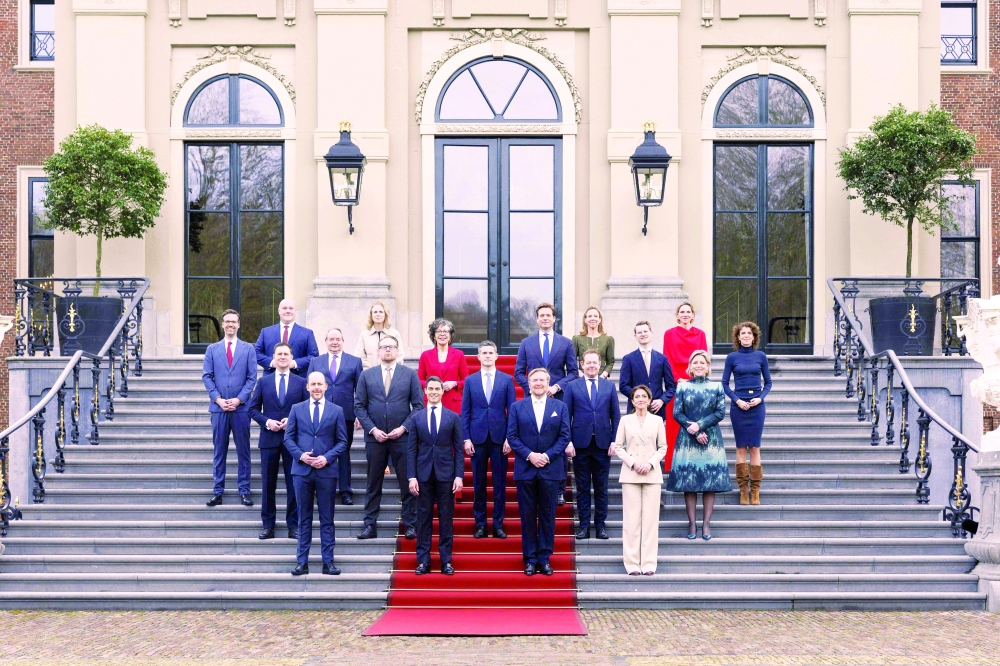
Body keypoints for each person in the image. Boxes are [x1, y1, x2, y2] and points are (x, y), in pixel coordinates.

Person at [354, 334, 423, 539]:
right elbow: (359, 406)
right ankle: (369, 524)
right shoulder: (367, 376)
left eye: (391, 347)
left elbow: (418, 406)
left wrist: (403, 428)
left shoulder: (409, 375)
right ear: (378, 351)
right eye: (384, 347)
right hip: (375, 438)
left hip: (402, 438)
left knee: (407, 481)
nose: (387, 350)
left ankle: (410, 524)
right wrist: (373, 430)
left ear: (397, 350)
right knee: (373, 483)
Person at [507, 368, 571, 576]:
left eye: (542, 380)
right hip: (525, 469)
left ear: (548, 382)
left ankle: (544, 558)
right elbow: (513, 437)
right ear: (529, 383)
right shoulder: (517, 407)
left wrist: (547, 456)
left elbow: (564, 437)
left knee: (547, 516)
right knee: (527, 516)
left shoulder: (560, 407)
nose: (538, 383)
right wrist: (530, 455)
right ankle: (530, 559)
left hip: (551, 469)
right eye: (534, 380)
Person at [284, 371, 348, 576]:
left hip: (326, 472)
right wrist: (301, 456)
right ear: (307, 387)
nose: (317, 387)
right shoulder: (296, 409)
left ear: (326, 386)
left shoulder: (337, 410)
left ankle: (328, 562)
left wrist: (327, 458)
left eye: (320, 384)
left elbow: (342, 442)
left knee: (327, 519)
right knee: (303, 518)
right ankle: (301, 562)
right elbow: (288, 438)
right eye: (313, 384)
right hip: (302, 471)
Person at [514, 303, 579, 505]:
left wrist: (556, 387)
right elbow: (518, 372)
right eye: (541, 315)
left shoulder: (565, 343)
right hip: (532, 401)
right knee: (535, 439)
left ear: (554, 318)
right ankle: (533, 482)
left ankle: (559, 489)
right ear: (536, 319)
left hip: (557, 399)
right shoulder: (526, 343)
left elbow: (574, 372)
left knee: (557, 442)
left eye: (548, 315)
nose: (544, 318)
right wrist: (535, 388)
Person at [666, 350, 732, 540]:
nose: (699, 365)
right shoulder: (683, 387)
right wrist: (693, 429)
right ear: (690, 366)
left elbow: (720, 413)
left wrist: (700, 425)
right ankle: (692, 523)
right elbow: (677, 413)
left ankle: (706, 524)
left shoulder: (717, 386)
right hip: (687, 439)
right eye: (695, 362)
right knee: (690, 483)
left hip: (711, 439)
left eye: (702, 362)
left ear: (708, 366)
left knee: (709, 483)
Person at [248, 342, 308, 540]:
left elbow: (308, 409)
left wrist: (292, 420)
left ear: (291, 358)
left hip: (293, 442)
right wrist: (267, 422)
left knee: (294, 485)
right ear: (274, 358)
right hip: (269, 439)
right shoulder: (263, 382)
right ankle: (268, 525)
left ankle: (294, 526)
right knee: (268, 485)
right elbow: (253, 409)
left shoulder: (301, 382)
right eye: (279, 354)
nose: (283, 357)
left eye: (286, 354)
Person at [407, 377, 465, 575]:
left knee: (446, 519)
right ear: (425, 392)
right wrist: (411, 477)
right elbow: (411, 450)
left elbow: (458, 449)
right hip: (422, 476)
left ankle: (445, 561)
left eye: (436, 389)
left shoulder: (453, 417)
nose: (433, 392)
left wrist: (459, 476)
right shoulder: (416, 418)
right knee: (423, 519)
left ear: (442, 392)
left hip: (446, 475)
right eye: (430, 388)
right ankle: (423, 561)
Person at [461, 340, 516, 539]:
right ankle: (480, 524)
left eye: (490, 352)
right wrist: (466, 438)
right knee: (478, 484)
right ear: (478, 356)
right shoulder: (470, 380)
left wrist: (510, 437)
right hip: (477, 438)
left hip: (500, 439)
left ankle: (498, 525)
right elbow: (465, 412)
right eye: (483, 353)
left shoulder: (506, 380)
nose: (487, 356)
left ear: (496, 356)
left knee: (500, 484)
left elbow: (513, 411)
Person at [202, 309, 257, 508]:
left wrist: (239, 399)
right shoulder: (212, 349)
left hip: (241, 410)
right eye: (227, 322)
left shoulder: (248, 349)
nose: (231, 325)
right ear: (223, 324)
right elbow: (207, 376)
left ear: (239, 325)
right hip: (219, 410)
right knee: (219, 451)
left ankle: (244, 491)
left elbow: (252, 378)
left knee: (244, 451)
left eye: (234, 321)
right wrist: (218, 399)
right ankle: (218, 491)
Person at [564, 349, 620, 541]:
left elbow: (616, 416)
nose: (591, 366)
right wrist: (568, 441)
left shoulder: (609, 387)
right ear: (581, 364)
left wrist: (614, 441)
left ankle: (601, 526)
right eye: (588, 362)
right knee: (582, 488)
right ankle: (584, 527)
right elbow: (566, 416)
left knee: (601, 488)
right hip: (580, 444)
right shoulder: (572, 386)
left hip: (603, 444)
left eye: (595, 362)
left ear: (600, 364)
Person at [307, 328, 364, 505]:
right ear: (325, 341)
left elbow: (360, 391)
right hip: (320, 413)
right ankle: (322, 487)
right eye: (331, 339)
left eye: (338, 339)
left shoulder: (354, 362)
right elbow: (307, 387)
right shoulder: (316, 361)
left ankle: (345, 490)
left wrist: (359, 415)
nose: (334, 342)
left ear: (343, 341)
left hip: (346, 415)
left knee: (343, 451)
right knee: (321, 449)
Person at [614, 385, 667, 575]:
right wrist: (634, 463)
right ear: (632, 400)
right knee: (631, 521)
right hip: (631, 474)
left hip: (652, 475)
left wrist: (650, 464)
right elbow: (618, 446)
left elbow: (663, 447)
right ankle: (632, 564)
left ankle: (649, 564)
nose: (641, 399)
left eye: (644, 396)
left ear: (650, 400)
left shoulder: (658, 420)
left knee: (651, 521)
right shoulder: (625, 420)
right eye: (637, 397)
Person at [722, 322, 772, 505]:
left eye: (749, 333)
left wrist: (760, 398)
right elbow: (725, 384)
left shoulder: (761, 356)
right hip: (739, 406)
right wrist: (737, 400)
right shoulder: (731, 357)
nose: (745, 336)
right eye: (742, 333)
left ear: (754, 337)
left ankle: (755, 490)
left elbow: (768, 382)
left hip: (757, 406)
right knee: (741, 447)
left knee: (755, 448)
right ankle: (743, 490)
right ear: (737, 337)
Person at [662, 302, 709, 470]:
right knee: (676, 422)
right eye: (682, 312)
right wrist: (677, 379)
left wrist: (697, 377)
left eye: (688, 312)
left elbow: (703, 359)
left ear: (693, 315)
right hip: (677, 382)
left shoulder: (701, 334)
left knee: (697, 418)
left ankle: (695, 460)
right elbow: (667, 358)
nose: (685, 315)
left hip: (696, 378)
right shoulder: (669, 334)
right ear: (677, 315)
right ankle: (673, 463)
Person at [619, 320, 676, 417]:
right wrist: (638, 398)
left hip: (656, 409)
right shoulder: (628, 359)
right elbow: (623, 385)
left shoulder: (662, 359)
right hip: (635, 410)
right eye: (639, 332)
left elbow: (671, 386)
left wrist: (662, 400)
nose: (643, 334)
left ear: (651, 334)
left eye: (645, 331)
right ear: (635, 336)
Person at [254, 299, 319, 378]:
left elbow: (314, 356)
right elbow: (256, 353)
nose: (288, 311)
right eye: (284, 308)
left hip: (298, 381)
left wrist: (294, 363)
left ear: (295, 311)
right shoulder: (266, 332)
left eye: (291, 308)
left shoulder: (307, 333)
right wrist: (272, 362)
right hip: (270, 381)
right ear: (279, 311)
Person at [418, 317, 469, 414]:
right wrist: (433, 386)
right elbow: (419, 380)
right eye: (438, 331)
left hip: (453, 403)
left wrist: (454, 383)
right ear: (434, 336)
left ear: (450, 335)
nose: (442, 334)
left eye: (445, 331)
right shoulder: (425, 355)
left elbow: (467, 380)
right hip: (431, 401)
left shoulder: (459, 354)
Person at [354, 300, 405, 370]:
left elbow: (400, 355)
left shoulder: (394, 333)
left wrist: (387, 369)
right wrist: (371, 371)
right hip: (370, 375)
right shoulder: (364, 334)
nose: (378, 314)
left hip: (390, 375)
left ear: (385, 315)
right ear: (371, 316)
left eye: (381, 312)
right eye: (375, 312)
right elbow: (359, 357)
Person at [571, 307, 615, 379]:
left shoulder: (608, 339)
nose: (592, 318)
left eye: (595, 316)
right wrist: (581, 375)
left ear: (600, 320)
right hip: (581, 378)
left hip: (601, 378)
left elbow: (610, 362)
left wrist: (603, 376)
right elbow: (572, 361)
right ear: (585, 320)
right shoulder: (576, 339)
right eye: (589, 316)